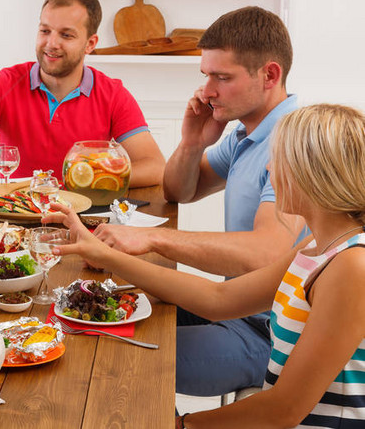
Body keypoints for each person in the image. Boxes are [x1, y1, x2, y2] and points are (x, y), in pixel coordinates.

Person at [46, 104, 365, 428]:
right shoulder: (314, 248)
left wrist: (182, 424)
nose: (269, 168)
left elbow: (282, 411)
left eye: (280, 160)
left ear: (315, 174)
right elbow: (219, 297)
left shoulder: (351, 267)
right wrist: (107, 255)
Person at [93, 6, 306, 397]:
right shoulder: (247, 132)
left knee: (119, 359)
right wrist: (192, 141)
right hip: (236, 309)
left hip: (272, 337)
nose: (207, 91)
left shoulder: (294, 143)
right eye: (206, 75)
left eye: (222, 78)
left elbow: (264, 253)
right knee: (98, 313)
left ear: (270, 75)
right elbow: (178, 191)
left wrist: (152, 240)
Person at [0, 0, 165, 187]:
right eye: (45, 31)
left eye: (66, 35)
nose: (51, 43)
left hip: (83, 221)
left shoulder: (113, 95)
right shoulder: (6, 82)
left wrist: (89, 178)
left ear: (90, 44)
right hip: (13, 218)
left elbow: (154, 167)